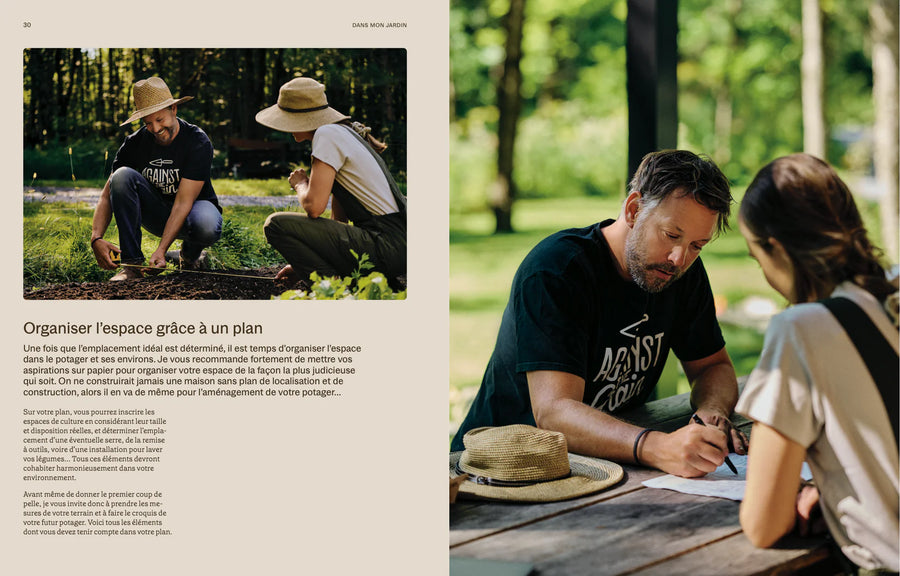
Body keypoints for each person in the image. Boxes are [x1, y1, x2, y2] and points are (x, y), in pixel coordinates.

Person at [451, 149, 748, 478]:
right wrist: (657, 447)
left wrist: (711, 412)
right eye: (672, 235)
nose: (680, 258)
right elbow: (554, 412)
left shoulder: (678, 271)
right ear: (634, 209)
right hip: (496, 471)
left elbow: (713, 366)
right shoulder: (556, 271)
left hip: (598, 466)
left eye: (697, 245)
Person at [735, 153, 899, 574]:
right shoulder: (887, 305)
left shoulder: (802, 329)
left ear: (776, 248)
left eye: (758, 259)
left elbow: (763, 524)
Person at [255, 77, 406, 287]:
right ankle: (379, 287)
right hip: (397, 246)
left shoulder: (327, 135)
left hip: (385, 244)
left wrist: (299, 183)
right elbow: (338, 224)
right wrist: (303, 264)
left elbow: (314, 207)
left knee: (276, 225)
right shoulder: (341, 133)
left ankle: (334, 290)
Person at [90, 77, 222, 281]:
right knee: (122, 175)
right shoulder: (134, 143)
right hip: (156, 213)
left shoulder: (197, 141)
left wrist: (160, 250)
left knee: (206, 224)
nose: (156, 128)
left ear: (174, 110)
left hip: (192, 212)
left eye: (160, 120)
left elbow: (183, 202)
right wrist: (96, 238)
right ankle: (131, 267)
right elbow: (107, 196)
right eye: (148, 123)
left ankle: (188, 257)